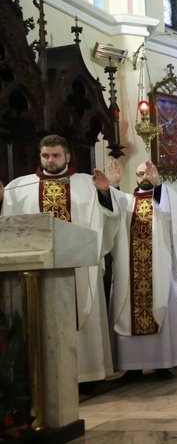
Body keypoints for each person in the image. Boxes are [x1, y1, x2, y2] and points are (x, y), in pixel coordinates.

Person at [0, 135, 120, 385]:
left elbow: (110, 216)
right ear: (40, 156)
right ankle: (43, 376)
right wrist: (1, 199)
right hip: (38, 271)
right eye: (45, 155)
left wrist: (106, 192)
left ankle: (89, 374)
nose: (50, 160)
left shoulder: (88, 182)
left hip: (80, 267)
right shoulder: (18, 187)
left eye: (56, 155)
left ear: (67, 157)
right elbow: (9, 226)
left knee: (83, 317)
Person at [107, 161, 177, 378]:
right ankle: (132, 366)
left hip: (159, 269)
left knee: (162, 306)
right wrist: (113, 187)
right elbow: (110, 216)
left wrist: (158, 185)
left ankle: (163, 364)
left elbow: (176, 214)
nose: (145, 175)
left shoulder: (163, 198)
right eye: (140, 173)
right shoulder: (125, 201)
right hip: (130, 272)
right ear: (135, 177)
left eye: (149, 172)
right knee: (128, 312)